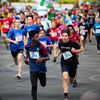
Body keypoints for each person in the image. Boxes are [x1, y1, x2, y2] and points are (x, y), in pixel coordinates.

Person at [54, 30, 83, 100]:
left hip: (73, 63)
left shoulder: (73, 43)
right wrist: (56, 55)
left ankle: (72, 80)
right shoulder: (60, 43)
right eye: (63, 36)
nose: (64, 37)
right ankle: (66, 96)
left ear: (68, 36)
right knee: (65, 78)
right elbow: (61, 50)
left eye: (66, 36)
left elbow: (82, 49)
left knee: (71, 79)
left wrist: (76, 51)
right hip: (64, 63)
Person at [24, 29, 49, 100]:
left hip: (41, 69)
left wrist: (42, 59)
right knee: (34, 85)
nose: (38, 38)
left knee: (43, 84)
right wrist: (26, 58)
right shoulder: (27, 46)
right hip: (33, 68)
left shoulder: (41, 46)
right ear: (32, 38)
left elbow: (48, 57)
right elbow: (28, 53)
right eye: (36, 36)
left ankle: (43, 79)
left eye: (38, 36)